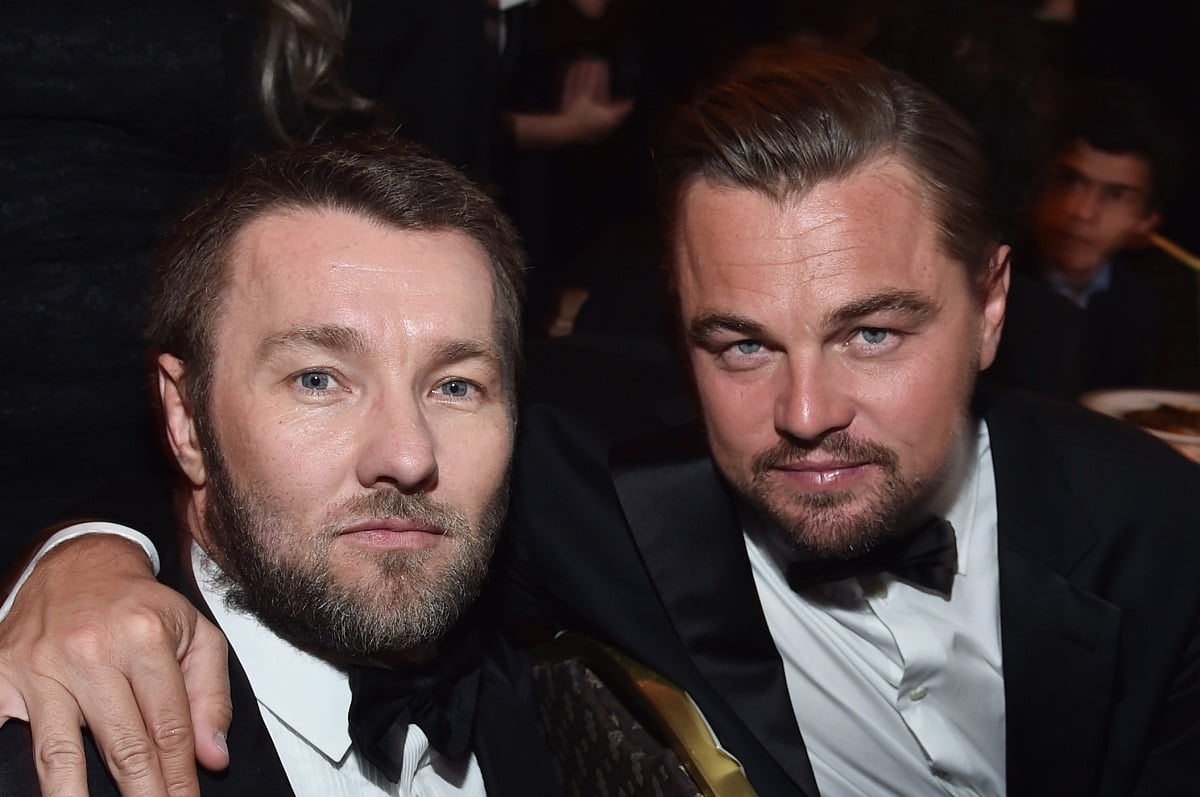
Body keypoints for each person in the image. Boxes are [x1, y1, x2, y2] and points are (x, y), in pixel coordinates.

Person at [4, 46, 1200, 797]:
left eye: (873, 333)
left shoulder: (1157, 535)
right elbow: (296, 442)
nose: (804, 412)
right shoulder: (582, 472)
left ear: (991, 305)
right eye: (739, 342)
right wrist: (85, 555)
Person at [0, 133, 561, 796]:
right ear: (186, 419)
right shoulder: (52, 763)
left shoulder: (548, 673)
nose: (409, 455)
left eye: (456, 385)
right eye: (319, 380)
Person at [1022, 76, 1200, 391]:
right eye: (1068, 179)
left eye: (1115, 195)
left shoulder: (1171, 300)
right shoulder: (992, 270)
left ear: (1147, 220)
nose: (1081, 211)